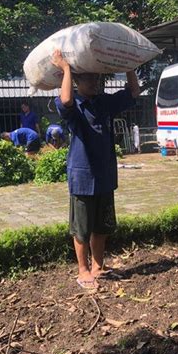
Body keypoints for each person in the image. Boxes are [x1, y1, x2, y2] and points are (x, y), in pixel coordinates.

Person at [51, 49, 140, 289]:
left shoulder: (104, 103)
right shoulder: (73, 105)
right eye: (89, 78)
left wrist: (128, 65)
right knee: (81, 227)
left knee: (101, 226)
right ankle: (83, 270)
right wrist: (66, 68)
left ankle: (98, 265)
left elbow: (133, 92)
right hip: (82, 175)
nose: (95, 82)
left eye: (96, 78)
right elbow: (67, 100)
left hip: (104, 174)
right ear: (78, 82)